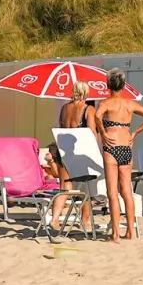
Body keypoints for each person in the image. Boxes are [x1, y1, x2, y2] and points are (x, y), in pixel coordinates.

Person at [93, 69, 143, 243]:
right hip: (125, 147)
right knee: (127, 191)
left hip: (111, 147)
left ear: (108, 85)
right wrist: (135, 133)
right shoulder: (130, 104)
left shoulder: (105, 103)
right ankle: (130, 231)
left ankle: (115, 234)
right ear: (123, 86)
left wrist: (104, 134)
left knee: (112, 193)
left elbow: (97, 116)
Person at [48, 82, 98, 233]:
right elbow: (91, 134)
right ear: (85, 93)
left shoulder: (64, 108)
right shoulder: (88, 109)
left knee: (65, 188)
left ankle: (55, 218)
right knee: (86, 189)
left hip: (64, 153)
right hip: (80, 152)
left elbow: (61, 128)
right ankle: (85, 221)